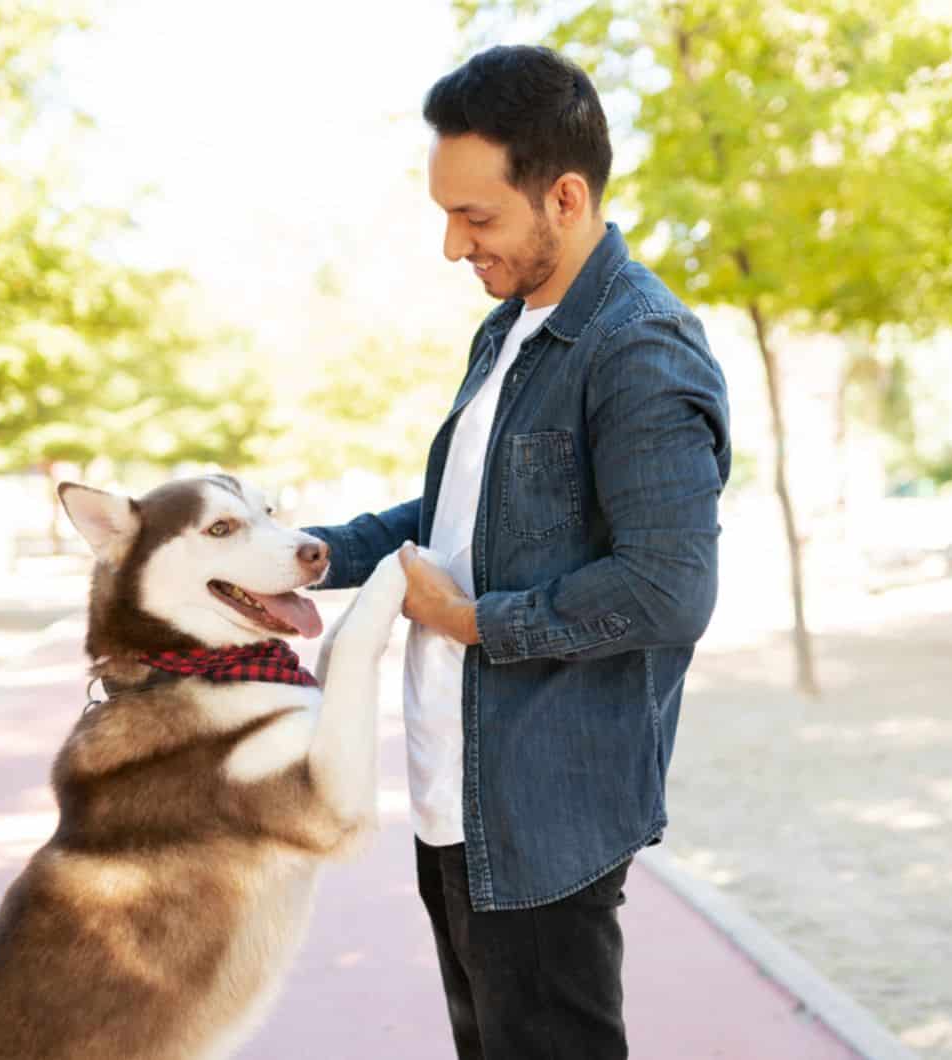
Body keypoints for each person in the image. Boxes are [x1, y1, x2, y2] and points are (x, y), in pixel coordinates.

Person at [303, 44, 731, 1058]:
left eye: (475, 216)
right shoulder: (507, 331)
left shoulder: (640, 347)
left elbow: (669, 587)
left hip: (545, 820)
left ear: (566, 197)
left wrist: (472, 621)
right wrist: (320, 555)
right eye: (444, 213)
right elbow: (465, 512)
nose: (452, 246)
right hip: (457, 799)